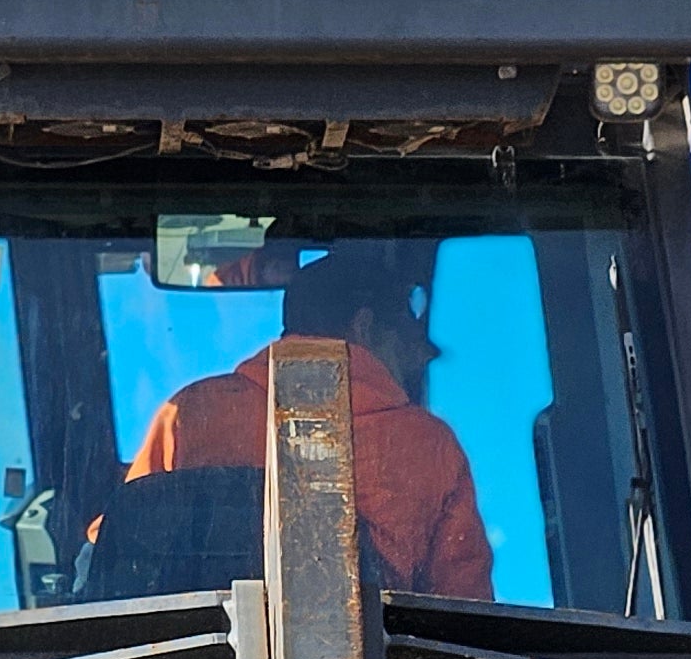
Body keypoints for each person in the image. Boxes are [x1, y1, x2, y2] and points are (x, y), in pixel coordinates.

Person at [121, 243, 494, 599]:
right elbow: (462, 607)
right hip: (376, 649)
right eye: (402, 345)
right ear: (364, 327)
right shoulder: (427, 446)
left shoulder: (191, 412)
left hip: (185, 645)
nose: (413, 364)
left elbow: (115, 549)